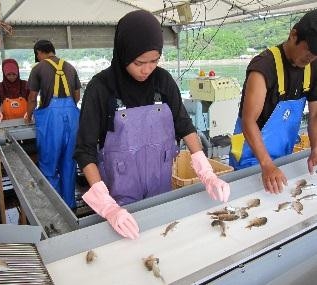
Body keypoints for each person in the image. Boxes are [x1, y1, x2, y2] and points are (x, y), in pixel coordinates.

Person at [74, 10, 230, 240]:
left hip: (161, 193)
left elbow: (184, 126)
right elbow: (84, 150)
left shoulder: (163, 81)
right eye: (139, 63)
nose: (147, 69)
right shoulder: (101, 88)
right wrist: (108, 207)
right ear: (123, 53)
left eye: (154, 61)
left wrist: (206, 172)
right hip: (118, 203)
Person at [230, 9, 317, 194]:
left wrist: (316, 147)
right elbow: (248, 121)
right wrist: (267, 164)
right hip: (250, 158)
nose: (311, 57)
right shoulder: (263, 66)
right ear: (294, 35)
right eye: (309, 50)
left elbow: (315, 116)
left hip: (282, 157)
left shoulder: (312, 67)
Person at [25, 40, 81, 209]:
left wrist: (29, 116)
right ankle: (69, 205)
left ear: (39, 52)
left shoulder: (38, 68)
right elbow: (77, 96)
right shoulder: (70, 67)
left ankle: (55, 207)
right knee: (69, 164)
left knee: (49, 164)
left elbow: (32, 98)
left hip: (51, 122)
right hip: (72, 120)